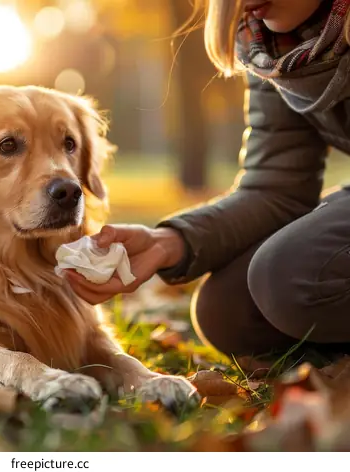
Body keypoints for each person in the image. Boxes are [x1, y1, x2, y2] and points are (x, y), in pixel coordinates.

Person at [66, 0, 350, 359]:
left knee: (288, 278)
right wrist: (168, 241)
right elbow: (276, 188)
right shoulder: (271, 52)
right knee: (227, 311)